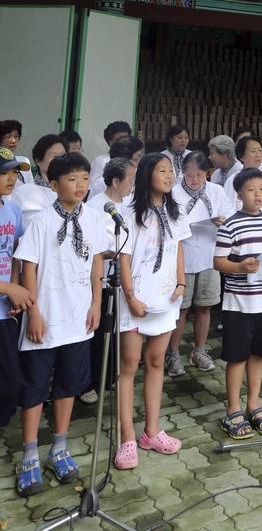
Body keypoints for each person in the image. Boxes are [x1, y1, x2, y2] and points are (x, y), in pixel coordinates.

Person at [14, 153, 106, 496]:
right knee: (35, 387)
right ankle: (28, 454)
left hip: (79, 316)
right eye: (71, 179)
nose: (80, 185)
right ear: (53, 185)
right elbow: (28, 269)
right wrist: (33, 312)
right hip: (46, 316)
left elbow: (97, 265)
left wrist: (96, 304)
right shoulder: (40, 222)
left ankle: (59, 446)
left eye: (84, 178)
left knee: (68, 384)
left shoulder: (95, 219)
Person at [115, 153, 191, 470]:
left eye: (170, 171)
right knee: (129, 366)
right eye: (162, 171)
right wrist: (130, 296)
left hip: (165, 298)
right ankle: (127, 438)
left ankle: (151, 431)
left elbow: (179, 251)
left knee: (157, 361)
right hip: (137, 300)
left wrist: (183, 283)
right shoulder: (130, 212)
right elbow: (124, 260)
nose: (169, 176)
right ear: (147, 175)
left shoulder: (176, 212)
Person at [214, 168, 262, 440]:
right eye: (251, 190)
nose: (258, 195)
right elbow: (218, 262)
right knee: (237, 356)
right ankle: (233, 409)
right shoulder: (230, 224)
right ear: (239, 194)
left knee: (259, 354)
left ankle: (253, 404)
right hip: (238, 303)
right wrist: (240, 266)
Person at [166, 151, 231, 377]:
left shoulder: (216, 191)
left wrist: (219, 222)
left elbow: (229, 218)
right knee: (181, 309)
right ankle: (173, 354)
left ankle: (199, 350)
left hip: (209, 254)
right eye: (189, 174)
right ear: (182, 172)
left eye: (199, 174)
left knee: (205, 306)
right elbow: (171, 223)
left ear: (207, 173)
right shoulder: (173, 193)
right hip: (182, 258)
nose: (194, 179)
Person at [83, 156, 137, 405]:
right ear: (115, 180)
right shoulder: (96, 206)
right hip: (100, 279)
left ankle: (112, 376)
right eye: (130, 180)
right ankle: (90, 383)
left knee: (116, 329)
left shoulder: (129, 203)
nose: (133, 185)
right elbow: (92, 245)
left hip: (122, 277)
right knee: (97, 333)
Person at [0, 148, 33, 436]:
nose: (11, 178)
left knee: (11, 382)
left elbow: (14, 254)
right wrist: (9, 287)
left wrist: (15, 287)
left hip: (3, 311)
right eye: (4, 173)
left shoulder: (12, 209)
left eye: (14, 172)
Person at [13, 134, 66, 221]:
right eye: (55, 157)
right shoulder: (23, 192)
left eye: (64, 156)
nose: (61, 160)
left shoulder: (72, 191)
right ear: (38, 160)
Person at [230, 136, 262, 215]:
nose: (258, 154)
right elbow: (228, 209)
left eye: (260, 150)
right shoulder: (233, 179)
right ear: (241, 156)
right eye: (253, 151)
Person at [89, 121, 132, 189]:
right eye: (119, 139)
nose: (124, 142)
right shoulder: (100, 161)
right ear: (110, 141)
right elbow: (92, 187)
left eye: (126, 139)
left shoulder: (134, 160)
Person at [0, 120, 33, 186]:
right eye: (8, 137)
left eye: (16, 136)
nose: (13, 141)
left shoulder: (24, 160)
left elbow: (30, 185)